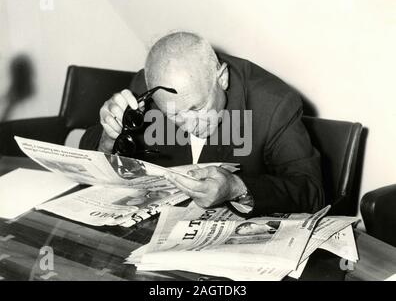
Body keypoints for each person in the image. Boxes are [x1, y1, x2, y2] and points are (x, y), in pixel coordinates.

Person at [80, 32, 325, 216]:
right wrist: (109, 136)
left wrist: (238, 188)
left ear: (223, 78)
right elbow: (89, 150)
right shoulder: (148, 92)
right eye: (174, 115)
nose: (189, 126)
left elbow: (311, 191)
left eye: (197, 108)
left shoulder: (273, 104)